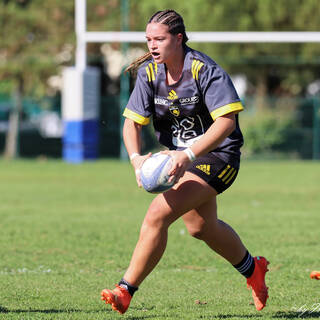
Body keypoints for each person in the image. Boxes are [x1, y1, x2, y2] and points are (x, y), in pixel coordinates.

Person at [101, 9, 269, 315]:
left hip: (219, 155)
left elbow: (226, 122)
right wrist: (137, 160)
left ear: (178, 39)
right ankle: (253, 269)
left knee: (157, 214)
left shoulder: (204, 70)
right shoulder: (150, 73)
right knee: (200, 227)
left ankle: (125, 290)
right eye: (148, 39)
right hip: (180, 158)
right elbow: (132, 123)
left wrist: (187, 154)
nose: (152, 45)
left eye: (160, 39)